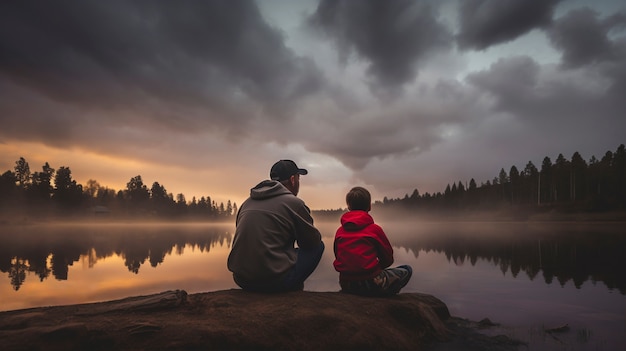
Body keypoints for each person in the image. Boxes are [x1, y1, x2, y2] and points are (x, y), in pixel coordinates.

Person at [227, 160, 325, 292]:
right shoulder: (294, 203)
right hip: (274, 281)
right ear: (293, 180)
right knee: (318, 246)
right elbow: (312, 242)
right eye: (298, 178)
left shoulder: (247, 203)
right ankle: (292, 287)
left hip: (241, 279)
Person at [333, 186, 412, 297]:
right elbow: (388, 258)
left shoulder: (340, 231)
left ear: (349, 207)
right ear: (369, 206)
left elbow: (338, 256)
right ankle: (386, 294)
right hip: (371, 282)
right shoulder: (375, 229)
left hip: (346, 283)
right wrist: (374, 269)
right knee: (406, 269)